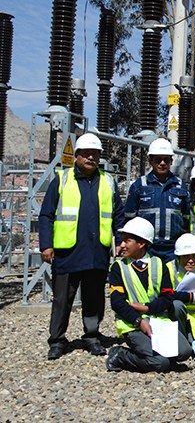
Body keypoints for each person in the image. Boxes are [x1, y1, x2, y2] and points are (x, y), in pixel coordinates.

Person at [39, 132, 124, 360]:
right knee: (62, 299)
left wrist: (119, 241)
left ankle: (92, 337)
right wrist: (46, 245)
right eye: (85, 154)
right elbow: (46, 214)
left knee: (94, 297)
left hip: (97, 251)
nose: (90, 157)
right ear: (76, 156)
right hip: (67, 252)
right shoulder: (62, 180)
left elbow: (118, 215)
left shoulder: (108, 181)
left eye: (94, 154)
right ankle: (57, 340)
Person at [105, 217, 194, 372]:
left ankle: (159, 354)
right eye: (122, 240)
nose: (122, 245)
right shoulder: (118, 268)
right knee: (160, 363)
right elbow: (117, 303)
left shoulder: (159, 264)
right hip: (132, 325)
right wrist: (138, 321)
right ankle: (120, 355)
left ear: (141, 243)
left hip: (158, 322)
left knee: (184, 352)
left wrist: (147, 308)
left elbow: (167, 298)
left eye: (127, 241)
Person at [123, 137, 191, 262]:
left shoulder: (181, 186)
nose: (162, 163)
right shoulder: (139, 186)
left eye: (166, 159)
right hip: (147, 248)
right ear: (150, 161)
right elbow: (129, 219)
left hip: (173, 249)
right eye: (158, 159)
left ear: (171, 161)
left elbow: (187, 218)